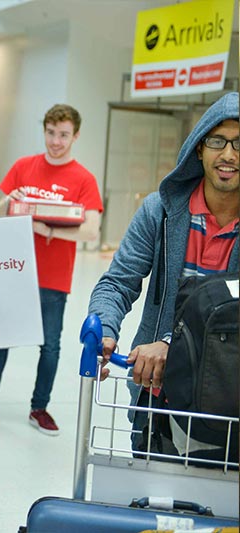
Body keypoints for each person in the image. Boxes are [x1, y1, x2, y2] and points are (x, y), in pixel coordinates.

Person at [87, 91, 238, 452]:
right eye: (218, 140)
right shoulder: (161, 211)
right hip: (155, 396)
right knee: (151, 502)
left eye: (239, 143)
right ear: (199, 148)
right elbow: (118, 282)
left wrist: (171, 346)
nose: (229, 154)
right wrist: (104, 329)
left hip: (230, 406)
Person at [0, 103, 103, 436]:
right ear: (45, 130)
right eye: (51, 133)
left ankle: (40, 408)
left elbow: (91, 230)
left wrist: (47, 231)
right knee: (0, 338)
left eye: (63, 135)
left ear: (75, 135)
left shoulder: (83, 179)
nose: (56, 141)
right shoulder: (24, 167)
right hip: (14, 271)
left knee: (49, 345)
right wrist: (14, 203)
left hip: (54, 276)